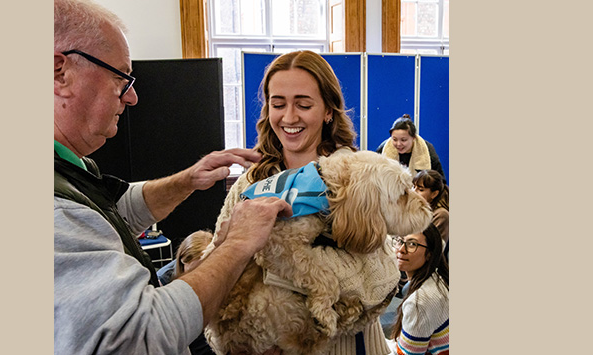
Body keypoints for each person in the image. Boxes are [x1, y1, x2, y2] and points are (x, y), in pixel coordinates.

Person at [54, 1, 292, 354]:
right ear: (60, 72)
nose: (131, 97)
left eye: (303, 104)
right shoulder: (56, 212)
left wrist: (188, 180)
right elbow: (141, 337)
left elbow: (114, 211)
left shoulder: (69, 171)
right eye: (120, 78)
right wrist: (237, 245)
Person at [210, 50, 391, 355]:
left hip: (344, 346)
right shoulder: (251, 185)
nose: (290, 117)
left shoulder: (355, 179)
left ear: (328, 111)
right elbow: (216, 276)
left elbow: (380, 280)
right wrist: (236, 343)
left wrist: (279, 272)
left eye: (303, 105)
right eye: (278, 104)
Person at [388, 224, 449, 355]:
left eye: (412, 244)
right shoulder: (438, 278)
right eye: (400, 241)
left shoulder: (420, 301)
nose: (401, 249)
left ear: (429, 254)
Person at [375, 114, 446, 182]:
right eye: (394, 139)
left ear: (413, 138)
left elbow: (440, 182)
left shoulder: (427, 150)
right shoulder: (383, 149)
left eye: (403, 140)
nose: (398, 144)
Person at [412, 169, 449, 261]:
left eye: (420, 189)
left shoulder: (441, 215)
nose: (413, 191)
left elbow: (431, 249)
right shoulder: (415, 209)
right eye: (413, 187)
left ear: (434, 194)